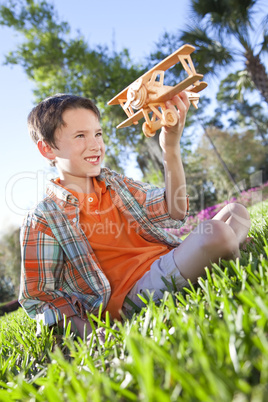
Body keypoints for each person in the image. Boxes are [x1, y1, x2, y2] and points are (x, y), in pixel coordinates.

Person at [19, 93, 251, 338]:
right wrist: (90, 335)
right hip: (133, 296)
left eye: (98, 133)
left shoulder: (114, 183)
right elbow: (42, 296)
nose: (96, 144)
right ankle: (226, 258)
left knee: (237, 212)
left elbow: (174, 210)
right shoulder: (44, 217)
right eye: (80, 136)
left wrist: (170, 147)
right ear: (47, 149)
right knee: (217, 233)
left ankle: (216, 255)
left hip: (168, 261)